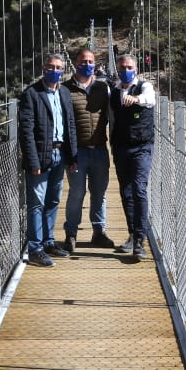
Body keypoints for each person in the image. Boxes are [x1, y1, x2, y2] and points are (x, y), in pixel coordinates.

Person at [18, 53, 78, 267]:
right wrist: (33, 161)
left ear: (63, 70)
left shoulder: (64, 92)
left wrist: (72, 156)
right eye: (50, 67)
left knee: (53, 201)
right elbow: (26, 132)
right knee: (36, 203)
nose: (54, 70)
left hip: (60, 154)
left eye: (58, 67)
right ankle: (35, 249)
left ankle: (48, 241)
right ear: (44, 68)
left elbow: (70, 126)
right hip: (41, 155)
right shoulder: (31, 94)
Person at [63, 48, 113, 253]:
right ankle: (71, 234)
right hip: (77, 151)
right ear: (75, 63)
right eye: (83, 61)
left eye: (91, 61)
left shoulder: (104, 88)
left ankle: (98, 232)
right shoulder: (64, 89)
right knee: (76, 192)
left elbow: (114, 114)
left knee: (99, 192)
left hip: (100, 148)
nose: (87, 64)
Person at [109, 53, 156, 261]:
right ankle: (132, 234)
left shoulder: (145, 87)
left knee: (139, 189)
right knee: (126, 192)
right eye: (122, 68)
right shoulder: (114, 91)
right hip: (120, 147)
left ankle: (140, 240)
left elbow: (150, 100)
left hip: (142, 146)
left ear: (136, 69)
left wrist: (136, 98)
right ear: (117, 70)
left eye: (129, 67)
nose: (126, 70)